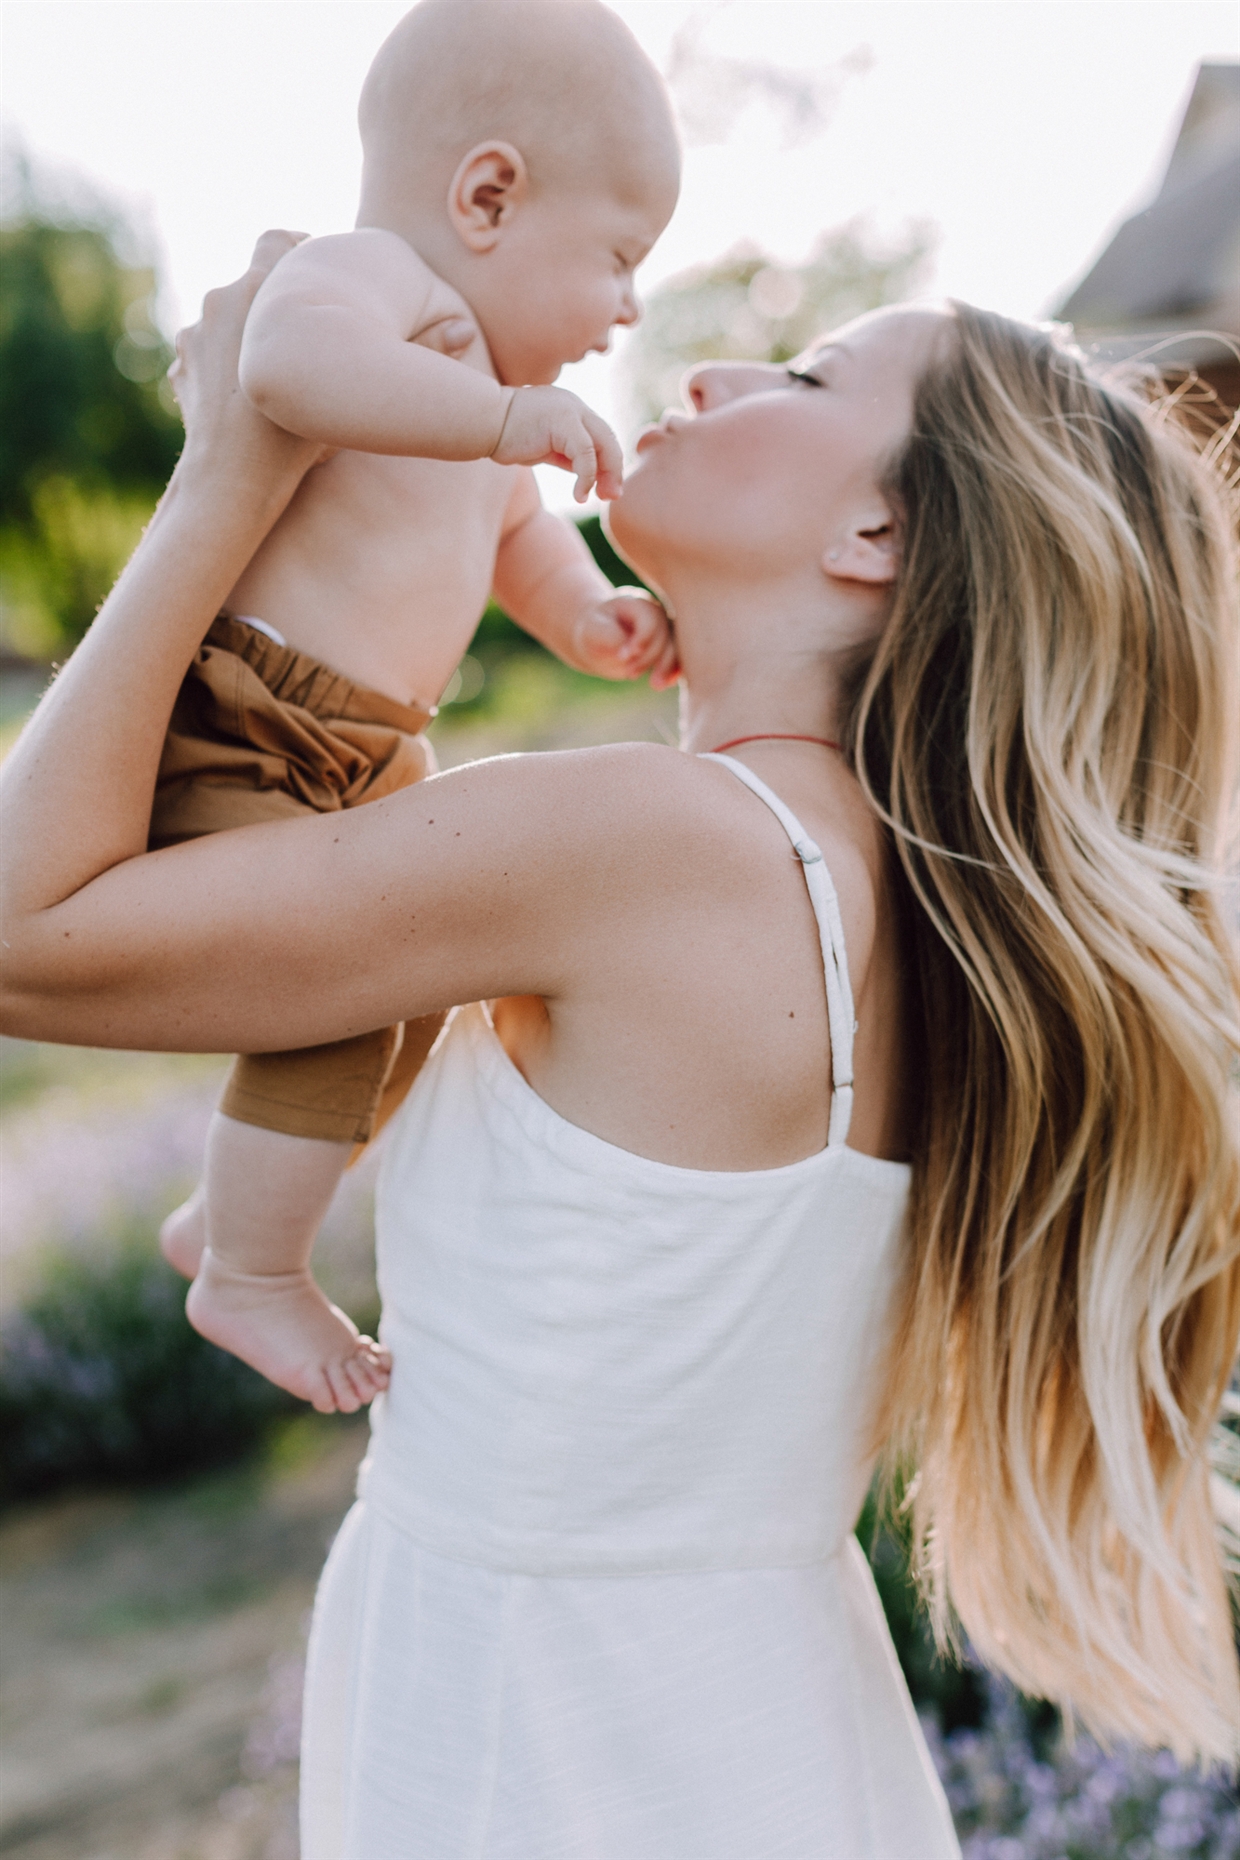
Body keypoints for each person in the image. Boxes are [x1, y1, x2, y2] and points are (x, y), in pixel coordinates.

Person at [3, 238, 1238, 1856]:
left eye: (806, 376)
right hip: (750, 1722)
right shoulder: (913, 903)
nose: (713, 372)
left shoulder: (655, 844)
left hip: (549, 1745)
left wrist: (233, 466)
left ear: (875, 535)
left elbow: (27, 933)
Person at [153, 0, 681, 1416]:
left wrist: (588, 614)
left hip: (374, 751)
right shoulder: (370, 282)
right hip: (255, 721)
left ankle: (229, 1214)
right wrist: (500, 420)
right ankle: (249, 1270)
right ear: (488, 196)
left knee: (421, 988)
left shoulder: (478, 407)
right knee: (340, 987)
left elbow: (520, 543)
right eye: (620, 259)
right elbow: (285, 366)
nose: (629, 309)